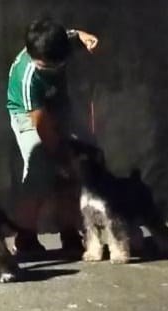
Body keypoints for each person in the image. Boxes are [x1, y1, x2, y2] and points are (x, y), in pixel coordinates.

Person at [6, 18, 100, 255]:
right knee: (40, 170)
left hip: (59, 107)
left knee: (82, 160)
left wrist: (87, 39)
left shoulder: (61, 42)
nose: (40, 66)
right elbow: (42, 125)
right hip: (28, 115)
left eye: (47, 65)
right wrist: (60, 156)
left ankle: (70, 232)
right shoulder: (27, 77)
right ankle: (25, 237)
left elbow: (75, 34)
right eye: (38, 62)